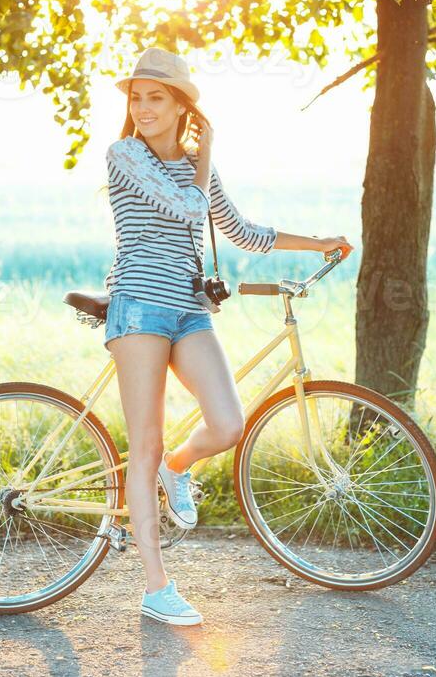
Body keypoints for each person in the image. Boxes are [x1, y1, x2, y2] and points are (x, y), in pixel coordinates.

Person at [102, 47, 353, 626]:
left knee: (228, 424)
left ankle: (179, 467)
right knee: (144, 445)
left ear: (180, 105)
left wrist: (317, 243)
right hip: (139, 308)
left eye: (155, 98)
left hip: (189, 310)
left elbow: (240, 231)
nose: (142, 108)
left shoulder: (193, 165)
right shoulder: (124, 155)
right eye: (137, 98)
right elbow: (189, 205)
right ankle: (155, 586)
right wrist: (207, 152)